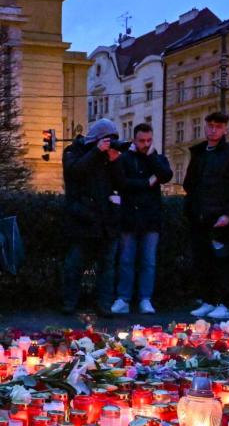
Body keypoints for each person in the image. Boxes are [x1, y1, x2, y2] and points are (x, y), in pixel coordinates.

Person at [184, 110, 229, 320]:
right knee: (202, 261)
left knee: (222, 261)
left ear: (225, 129)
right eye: (210, 126)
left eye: (218, 126)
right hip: (199, 215)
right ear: (205, 126)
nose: (213, 130)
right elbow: (190, 183)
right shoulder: (199, 152)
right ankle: (209, 300)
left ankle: (226, 304)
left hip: (219, 217)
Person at [61, 118, 123, 317]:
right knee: (75, 264)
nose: (110, 143)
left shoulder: (110, 157)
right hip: (83, 218)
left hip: (107, 220)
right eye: (108, 139)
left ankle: (104, 304)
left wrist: (115, 162)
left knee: (107, 267)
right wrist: (96, 152)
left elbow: (121, 182)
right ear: (97, 138)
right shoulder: (74, 150)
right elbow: (74, 172)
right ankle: (69, 302)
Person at [113, 123, 173, 315]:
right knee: (126, 260)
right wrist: (147, 182)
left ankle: (145, 299)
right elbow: (121, 183)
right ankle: (124, 298)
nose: (146, 144)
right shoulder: (125, 159)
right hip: (130, 216)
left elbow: (166, 175)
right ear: (134, 140)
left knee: (148, 261)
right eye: (142, 141)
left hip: (150, 217)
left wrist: (152, 157)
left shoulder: (156, 157)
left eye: (149, 140)